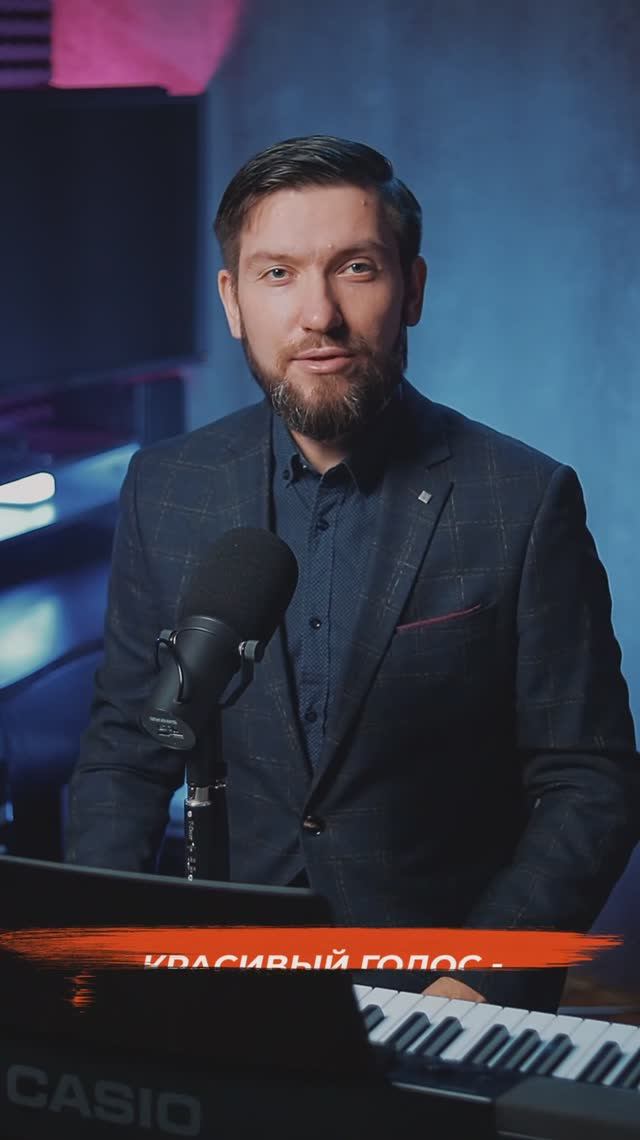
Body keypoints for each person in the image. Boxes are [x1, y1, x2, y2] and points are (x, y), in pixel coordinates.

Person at [66, 135, 639, 1012]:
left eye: (356, 268)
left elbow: (589, 781)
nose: (318, 316)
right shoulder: (167, 486)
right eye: (278, 273)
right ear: (233, 301)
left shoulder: (524, 500)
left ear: (412, 288)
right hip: (221, 991)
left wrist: (479, 978)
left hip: (440, 996)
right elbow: (127, 750)